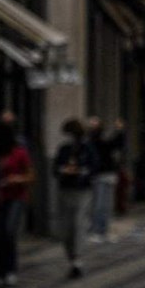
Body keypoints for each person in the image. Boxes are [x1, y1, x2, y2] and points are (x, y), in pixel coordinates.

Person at [0, 119, 33, 287]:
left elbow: (30, 175)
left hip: (16, 197)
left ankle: (10, 269)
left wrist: (17, 179)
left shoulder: (20, 153)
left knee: (9, 232)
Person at [53, 119, 96, 279]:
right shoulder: (64, 149)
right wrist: (63, 170)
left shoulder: (87, 148)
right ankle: (72, 258)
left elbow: (93, 167)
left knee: (78, 224)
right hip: (65, 190)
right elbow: (55, 168)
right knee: (66, 228)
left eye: (70, 134)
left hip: (82, 191)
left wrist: (81, 172)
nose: (68, 138)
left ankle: (77, 260)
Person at [87, 118, 121, 240]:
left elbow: (115, 144)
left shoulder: (99, 142)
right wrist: (118, 130)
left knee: (104, 205)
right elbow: (115, 144)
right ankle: (98, 230)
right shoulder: (93, 142)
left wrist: (119, 131)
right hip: (101, 175)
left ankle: (102, 230)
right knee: (100, 205)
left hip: (106, 175)